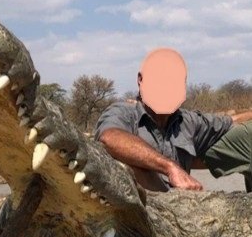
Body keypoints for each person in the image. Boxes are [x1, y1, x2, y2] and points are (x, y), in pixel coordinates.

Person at [95, 48, 252, 192]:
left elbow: (232, 121)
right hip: (139, 207)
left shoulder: (188, 120)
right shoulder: (124, 112)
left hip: (179, 206)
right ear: (140, 80)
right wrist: (170, 168)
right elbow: (109, 137)